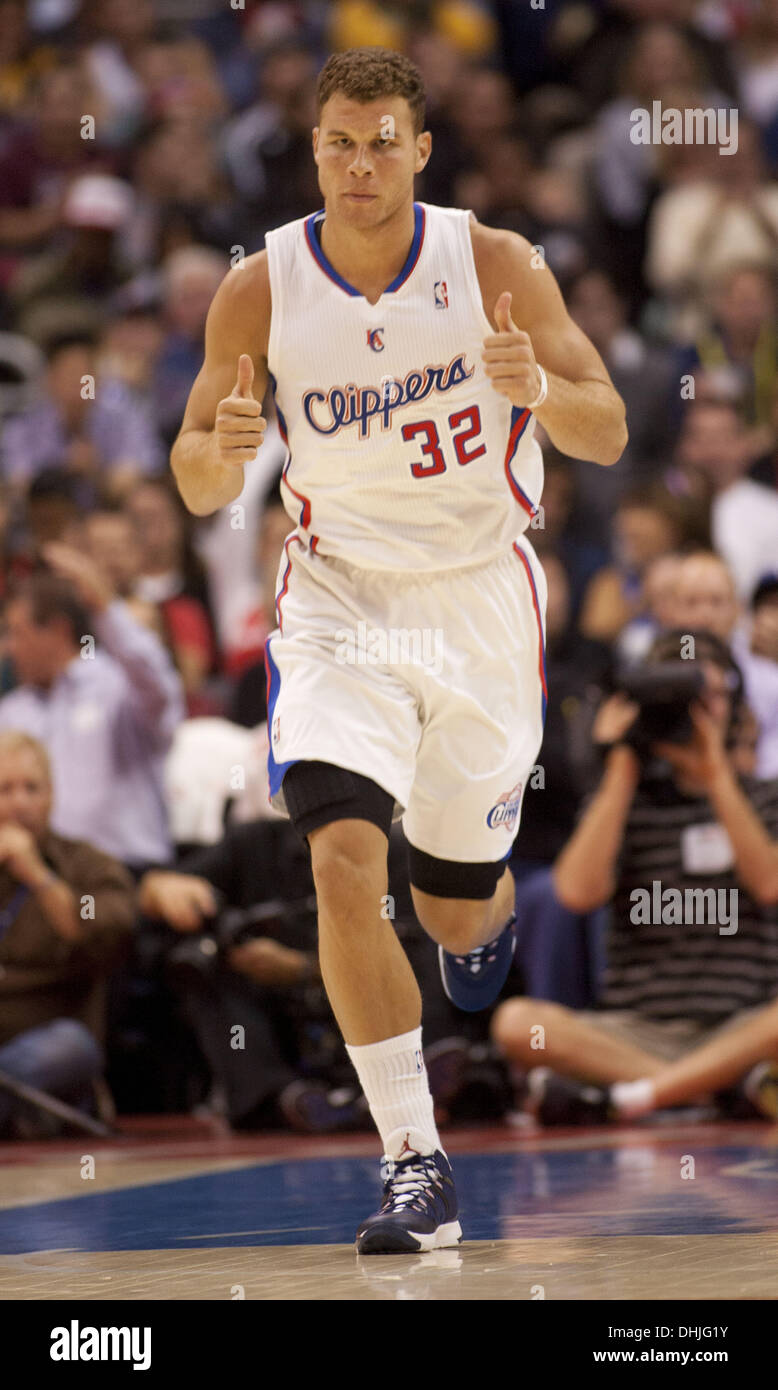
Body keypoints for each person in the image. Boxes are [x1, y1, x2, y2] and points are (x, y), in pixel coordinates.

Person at [171, 47, 627, 1254]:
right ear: (312, 150)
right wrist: (222, 450)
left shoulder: (493, 264)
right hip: (337, 603)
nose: (360, 163)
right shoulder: (258, 288)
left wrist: (544, 392)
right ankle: (416, 1163)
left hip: (478, 595)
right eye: (339, 143)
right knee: (337, 861)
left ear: (420, 150)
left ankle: (478, 934)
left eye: (383, 141)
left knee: (452, 912)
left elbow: (608, 426)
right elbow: (194, 474)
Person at [491, 631, 778, 1127]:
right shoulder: (622, 802)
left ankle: (636, 1095)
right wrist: (620, 767)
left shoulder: (763, 797)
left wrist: (716, 778)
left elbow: (769, 885)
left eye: (708, 696)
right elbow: (576, 894)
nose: (695, 714)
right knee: (518, 1024)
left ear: (735, 704)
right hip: (634, 1029)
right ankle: (709, 1091)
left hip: (739, 1025)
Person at [0, 555, 184, 872]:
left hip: (130, 873)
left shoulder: (117, 685)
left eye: (17, 632)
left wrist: (105, 608)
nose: (9, 648)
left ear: (57, 631)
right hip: (37, 879)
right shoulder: (11, 712)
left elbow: (160, 688)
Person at [0, 730, 135, 1138]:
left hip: (52, 1037)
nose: (19, 801)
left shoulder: (88, 865)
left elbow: (100, 934)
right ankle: (20, 1112)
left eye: (31, 788)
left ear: (52, 795)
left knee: (68, 1048)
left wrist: (37, 874)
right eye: (5, 789)